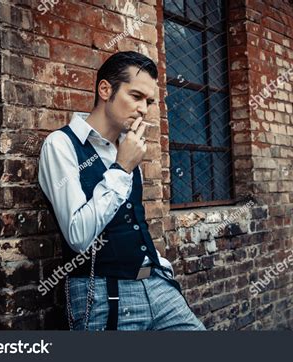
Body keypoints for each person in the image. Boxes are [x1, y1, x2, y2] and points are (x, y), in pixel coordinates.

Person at [38, 51, 206, 331]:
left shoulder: (126, 147)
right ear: (105, 89)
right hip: (104, 293)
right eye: (136, 96)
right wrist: (120, 169)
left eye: (149, 101)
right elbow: (78, 235)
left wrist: (160, 266)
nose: (144, 109)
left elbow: (132, 222)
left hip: (157, 285)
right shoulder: (61, 145)